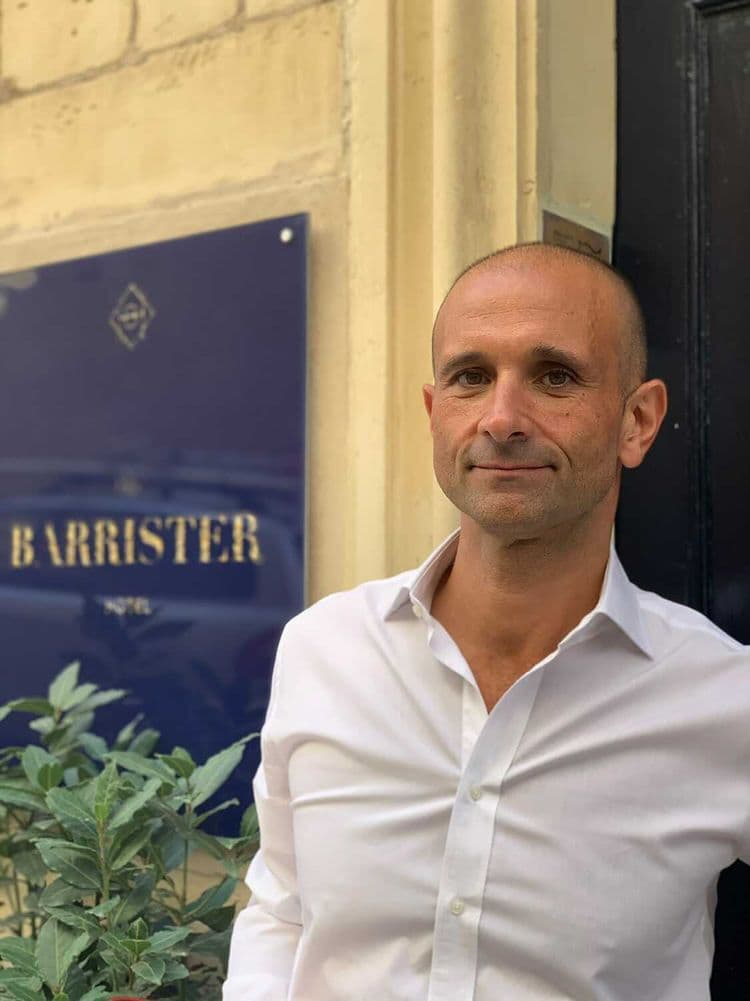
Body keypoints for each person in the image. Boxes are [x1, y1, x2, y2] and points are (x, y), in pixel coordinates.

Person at [223, 243, 750, 1000]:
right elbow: (283, 903)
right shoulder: (322, 648)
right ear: (437, 413)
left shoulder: (722, 698)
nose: (503, 418)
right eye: (472, 377)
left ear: (639, 421)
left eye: (555, 375)